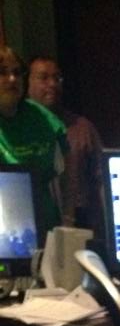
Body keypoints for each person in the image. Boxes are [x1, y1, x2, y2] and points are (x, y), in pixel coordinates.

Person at [27, 55, 105, 236]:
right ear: (28, 83)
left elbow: (101, 178)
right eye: (44, 78)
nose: (52, 84)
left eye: (57, 78)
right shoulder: (18, 130)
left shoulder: (82, 128)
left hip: (79, 222)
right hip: (33, 221)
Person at [0, 46, 66, 232]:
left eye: (17, 73)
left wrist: (68, 220)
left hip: (44, 224)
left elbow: (65, 174)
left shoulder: (42, 118)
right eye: (2, 72)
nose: (12, 79)